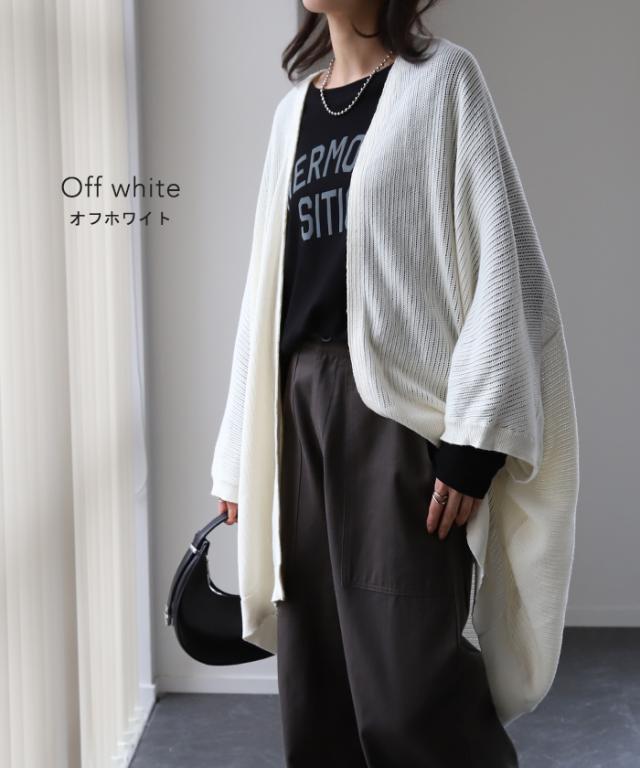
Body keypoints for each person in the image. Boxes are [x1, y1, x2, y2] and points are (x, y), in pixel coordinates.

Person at [210, 2, 579, 766]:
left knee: (411, 684)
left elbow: (506, 263)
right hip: (296, 413)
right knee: (317, 677)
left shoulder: (443, 82)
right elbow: (264, 291)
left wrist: (474, 442)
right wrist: (237, 450)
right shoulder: (292, 114)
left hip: (392, 416)